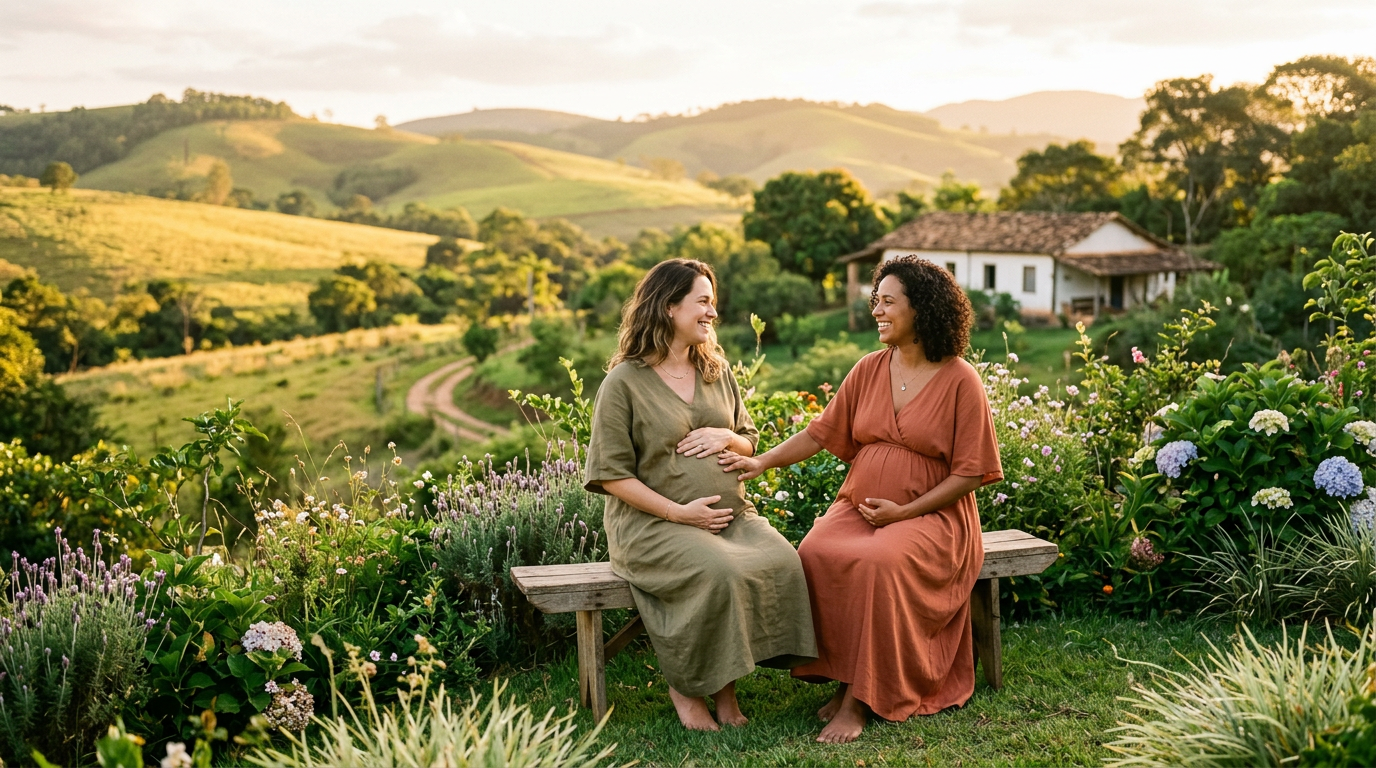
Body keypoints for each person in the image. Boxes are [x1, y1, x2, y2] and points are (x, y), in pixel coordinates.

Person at [719, 255, 1003, 743]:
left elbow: (972, 472)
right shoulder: (869, 369)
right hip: (861, 506)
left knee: (878, 564)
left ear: (923, 309)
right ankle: (847, 677)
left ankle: (860, 700)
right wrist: (762, 461)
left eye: (888, 302)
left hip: (934, 517)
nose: (877, 310)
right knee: (814, 553)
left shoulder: (961, 380)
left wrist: (906, 511)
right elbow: (819, 433)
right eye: (876, 300)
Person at [583, 258, 817, 731]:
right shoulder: (623, 383)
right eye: (703, 302)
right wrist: (679, 513)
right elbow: (610, 476)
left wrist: (725, 437)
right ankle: (688, 690)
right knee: (720, 571)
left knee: (785, 561)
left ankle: (726, 693)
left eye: (714, 303)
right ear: (669, 306)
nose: (713, 312)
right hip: (652, 524)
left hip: (733, 516)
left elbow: (749, 438)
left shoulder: (716, 368)